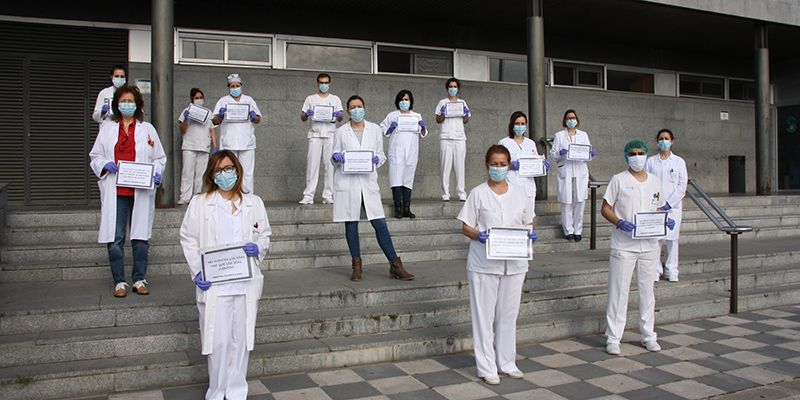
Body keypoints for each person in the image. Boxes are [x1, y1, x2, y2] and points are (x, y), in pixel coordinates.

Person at [179, 150, 271, 400]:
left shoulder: (254, 203)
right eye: (219, 170)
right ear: (212, 174)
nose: (224, 174)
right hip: (216, 285)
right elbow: (188, 238)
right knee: (218, 342)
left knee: (240, 341)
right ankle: (217, 392)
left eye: (229, 168)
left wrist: (258, 248)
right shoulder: (200, 203)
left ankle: (237, 391)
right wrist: (198, 271)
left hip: (244, 283)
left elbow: (264, 235)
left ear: (237, 170)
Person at [457, 144, 537, 385]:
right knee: (483, 317)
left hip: (514, 263)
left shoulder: (520, 193)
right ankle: (486, 366)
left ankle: (507, 362)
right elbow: (466, 226)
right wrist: (478, 235)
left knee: (508, 315)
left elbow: (528, 221)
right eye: (494, 164)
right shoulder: (477, 193)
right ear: (486, 165)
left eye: (503, 164)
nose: (498, 168)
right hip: (484, 264)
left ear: (510, 165)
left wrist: (530, 234)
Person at [89, 86, 166, 297]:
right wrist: (105, 164)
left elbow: (159, 157)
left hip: (140, 190)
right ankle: (119, 281)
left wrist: (157, 173)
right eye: (123, 101)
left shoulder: (148, 129)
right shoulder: (107, 129)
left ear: (138, 104)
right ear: (117, 104)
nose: (127, 104)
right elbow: (95, 156)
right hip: (116, 190)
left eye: (130, 100)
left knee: (140, 237)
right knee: (115, 238)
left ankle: (139, 278)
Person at [601, 139, 675, 356]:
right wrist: (618, 222)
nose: (637, 157)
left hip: (650, 245)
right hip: (624, 245)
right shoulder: (618, 180)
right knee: (619, 292)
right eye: (633, 153)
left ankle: (648, 335)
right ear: (626, 156)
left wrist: (664, 219)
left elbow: (658, 206)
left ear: (646, 154)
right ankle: (614, 337)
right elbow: (605, 208)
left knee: (647, 292)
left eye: (641, 153)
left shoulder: (654, 181)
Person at [331, 95, 414, 282]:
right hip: (347, 183)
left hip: (368, 183)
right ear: (347, 110)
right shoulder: (341, 132)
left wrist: (378, 160)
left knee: (380, 224)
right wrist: (336, 158)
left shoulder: (375, 129)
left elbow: (381, 155)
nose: (356, 110)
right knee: (351, 223)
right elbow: (333, 155)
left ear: (364, 108)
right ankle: (357, 265)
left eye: (359, 106)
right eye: (352, 107)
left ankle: (395, 264)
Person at [646, 129, 688, 282]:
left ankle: (672, 270)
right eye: (661, 138)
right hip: (655, 206)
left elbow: (682, 185)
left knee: (672, 239)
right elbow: (647, 182)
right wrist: (655, 204)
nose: (664, 141)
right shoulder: (650, 161)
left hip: (673, 207)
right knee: (656, 238)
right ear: (657, 141)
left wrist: (669, 203)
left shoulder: (679, 162)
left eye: (667, 138)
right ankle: (656, 270)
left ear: (672, 141)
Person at [380, 89, 428, 219]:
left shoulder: (416, 116)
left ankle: (407, 208)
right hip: (396, 152)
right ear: (397, 101)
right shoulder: (392, 115)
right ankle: (398, 208)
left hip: (411, 153)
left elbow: (423, 134)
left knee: (408, 179)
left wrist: (423, 128)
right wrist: (390, 128)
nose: (404, 102)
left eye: (406, 99)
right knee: (396, 178)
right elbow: (383, 128)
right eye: (402, 99)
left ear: (410, 101)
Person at [550, 109, 596, 242]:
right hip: (566, 171)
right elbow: (553, 154)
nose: (571, 120)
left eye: (573, 118)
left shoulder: (583, 135)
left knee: (580, 202)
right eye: (568, 118)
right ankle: (568, 230)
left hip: (580, 171)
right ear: (565, 120)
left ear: (577, 120)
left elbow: (587, 152)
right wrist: (560, 153)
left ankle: (578, 230)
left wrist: (591, 153)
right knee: (566, 202)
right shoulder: (559, 135)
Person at [212, 73, 262, 194]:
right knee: (229, 171)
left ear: (241, 85)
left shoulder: (249, 100)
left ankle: (248, 196)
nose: (235, 88)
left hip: (247, 142)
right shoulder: (223, 101)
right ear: (228, 87)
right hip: (229, 142)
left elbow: (259, 119)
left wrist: (254, 117)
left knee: (247, 172)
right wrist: (221, 115)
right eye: (232, 86)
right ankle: (231, 195)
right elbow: (214, 121)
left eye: (237, 85)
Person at [299, 73, 344, 205]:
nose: (323, 85)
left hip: (330, 134)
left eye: (326, 83)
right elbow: (302, 116)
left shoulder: (335, 99)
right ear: (317, 83)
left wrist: (338, 115)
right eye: (321, 82)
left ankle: (328, 195)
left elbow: (341, 117)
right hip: (315, 134)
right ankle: (308, 195)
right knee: (312, 166)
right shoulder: (310, 99)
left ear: (329, 83)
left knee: (329, 166)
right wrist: (307, 114)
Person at [499, 111, 551, 217]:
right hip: (511, 185)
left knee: (528, 218)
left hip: (528, 187)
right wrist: (510, 165)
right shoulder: (504, 143)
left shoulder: (530, 143)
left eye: (523, 124)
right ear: (512, 124)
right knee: (512, 217)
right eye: (517, 123)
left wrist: (543, 166)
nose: (520, 126)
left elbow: (536, 163)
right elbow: (498, 164)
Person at [177, 88, 217, 205]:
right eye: (196, 98)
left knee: (200, 173)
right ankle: (184, 197)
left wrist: (215, 147)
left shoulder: (208, 112)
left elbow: (212, 131)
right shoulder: (186, 111)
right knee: (187, 172)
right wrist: (186, 119)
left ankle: (197, 196)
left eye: (200, 98)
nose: (199, 100)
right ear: (192, 99)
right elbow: (182, 130)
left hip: (204, 146)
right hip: (189, 146)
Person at [435, 77, 471, 201]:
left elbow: (466, 120)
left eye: (455, 87)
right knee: (445, 166)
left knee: (460, 166)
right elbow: (438, 120)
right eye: (450, 87)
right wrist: (443, 114)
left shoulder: (463, 103)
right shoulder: (442, 102)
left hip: (460, 137)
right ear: (447, 88)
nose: (453, 89)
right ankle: (445, 193)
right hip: (446, 137)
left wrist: (465, 114)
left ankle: (461, 192)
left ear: (458, 88)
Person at [92, 64, 127, 128]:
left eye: (122, 76)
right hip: (107, 128)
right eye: (116, 76)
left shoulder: (130, 93)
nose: (119, 78)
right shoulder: (104, 93)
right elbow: (95, 117)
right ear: (111, 77)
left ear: (125, 78)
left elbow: (140, 114)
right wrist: (102, 112)